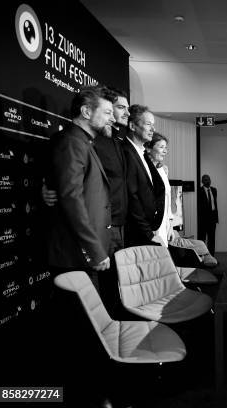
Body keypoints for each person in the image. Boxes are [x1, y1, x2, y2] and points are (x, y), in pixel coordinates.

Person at [47, 86, 113, 291]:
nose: (112, 118)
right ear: (86, 112)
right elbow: (72, 199)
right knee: (83, 322)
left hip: (82, 255)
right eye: (107, 112)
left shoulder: (83, 142)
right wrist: (94, 249)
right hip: (76, 255)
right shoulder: (73, 142)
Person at [122, 105, 166, 246]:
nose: (153, 129)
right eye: (148, 124)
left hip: (151, 229)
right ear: (133, 126)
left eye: (153, 125)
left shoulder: (143, 153)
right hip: (138, 234)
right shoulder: (125, 152)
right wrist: (148, 233)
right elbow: (132, 197)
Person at [145, 133, 173, 246]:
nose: (165, 151)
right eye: (161, 147)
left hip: (164, 226)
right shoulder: (145, 170)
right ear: (148, 149)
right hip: (152, 228)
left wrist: (170, 226)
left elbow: (168, 200)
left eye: (166, 148)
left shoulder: (163, 170)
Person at [198, 174, 219, 254]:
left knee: (212, 239)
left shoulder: (214, 190)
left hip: (212, 218)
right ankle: (203, 256)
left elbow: (214, 204)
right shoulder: (199, 191)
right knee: (202, 239)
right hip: (203, 219)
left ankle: (212, 257)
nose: (208, 181)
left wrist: (216, 218)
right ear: (202, 181)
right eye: (206, 180)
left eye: (209, 179)